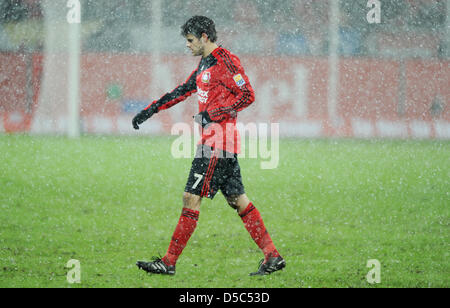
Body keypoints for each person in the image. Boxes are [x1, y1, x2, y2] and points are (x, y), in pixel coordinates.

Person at [133, 16, 285, 276]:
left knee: (191, 197)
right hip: (220, 144)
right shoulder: (205, 62)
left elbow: (247, 95)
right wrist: (150, 110)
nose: (187, 45)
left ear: (204, 37)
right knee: (238, 200)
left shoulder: (226, 60)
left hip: (216, 143)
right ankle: (272, 256)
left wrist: (213, 114)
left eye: (190, 40)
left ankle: (169, 262)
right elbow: (183, 90)